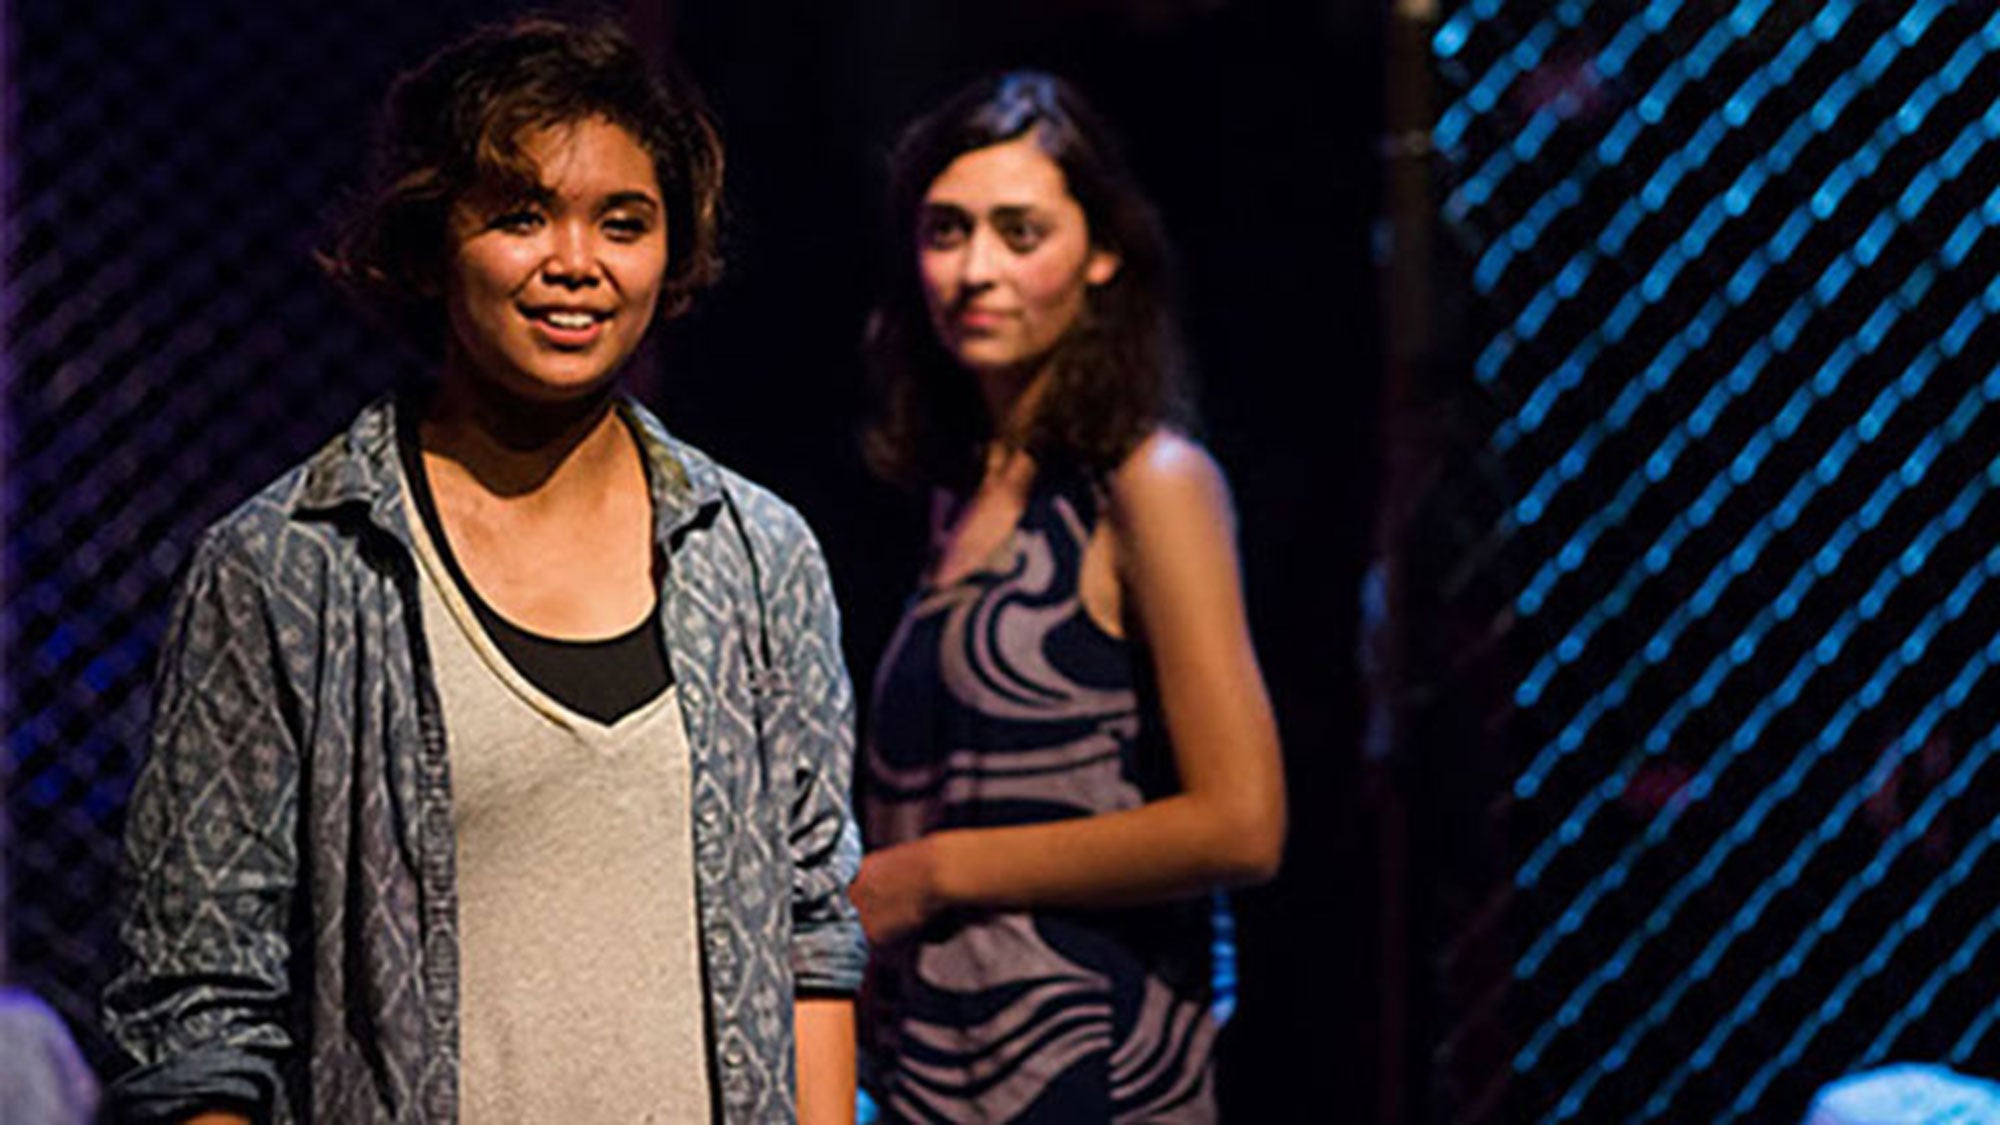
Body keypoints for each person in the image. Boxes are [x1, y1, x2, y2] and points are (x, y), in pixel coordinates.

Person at [102, 16, 863, 1124]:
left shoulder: (757, 556)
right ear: (428, 243)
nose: (575, 262)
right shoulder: (291, 568)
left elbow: (812, 939)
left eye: (623, 222)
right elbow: (195, 1010)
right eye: (520, 215)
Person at [852, 72, 1287, 1122]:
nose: (974, 270)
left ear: (1099, 256)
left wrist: (931, 871)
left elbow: (1241, 822)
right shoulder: (966, 494)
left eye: (1018, 231)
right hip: (938, 1069)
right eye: (945, 231)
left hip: (1084, 1064)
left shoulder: (1148, 480)